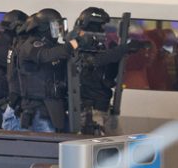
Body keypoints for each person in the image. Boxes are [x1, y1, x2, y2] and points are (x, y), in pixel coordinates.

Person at [69, 7, 147, 135]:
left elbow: (107, 74)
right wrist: (122, 49)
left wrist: (118, 56)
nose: (102, 30)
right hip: (90, 110)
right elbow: (94, 61)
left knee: (117, 147)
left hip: (103, 107)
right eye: (99, 26)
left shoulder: (98, 45)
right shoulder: (77, 40)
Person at [13, 8, 75, 132]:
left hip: (54, 109)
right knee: (46, 149)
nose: (59, 30)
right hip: (39, 111)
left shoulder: (54, 47)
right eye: (56, 26)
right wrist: (74, 43)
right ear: (44, 28)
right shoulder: (30, 46)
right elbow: (46, 55)